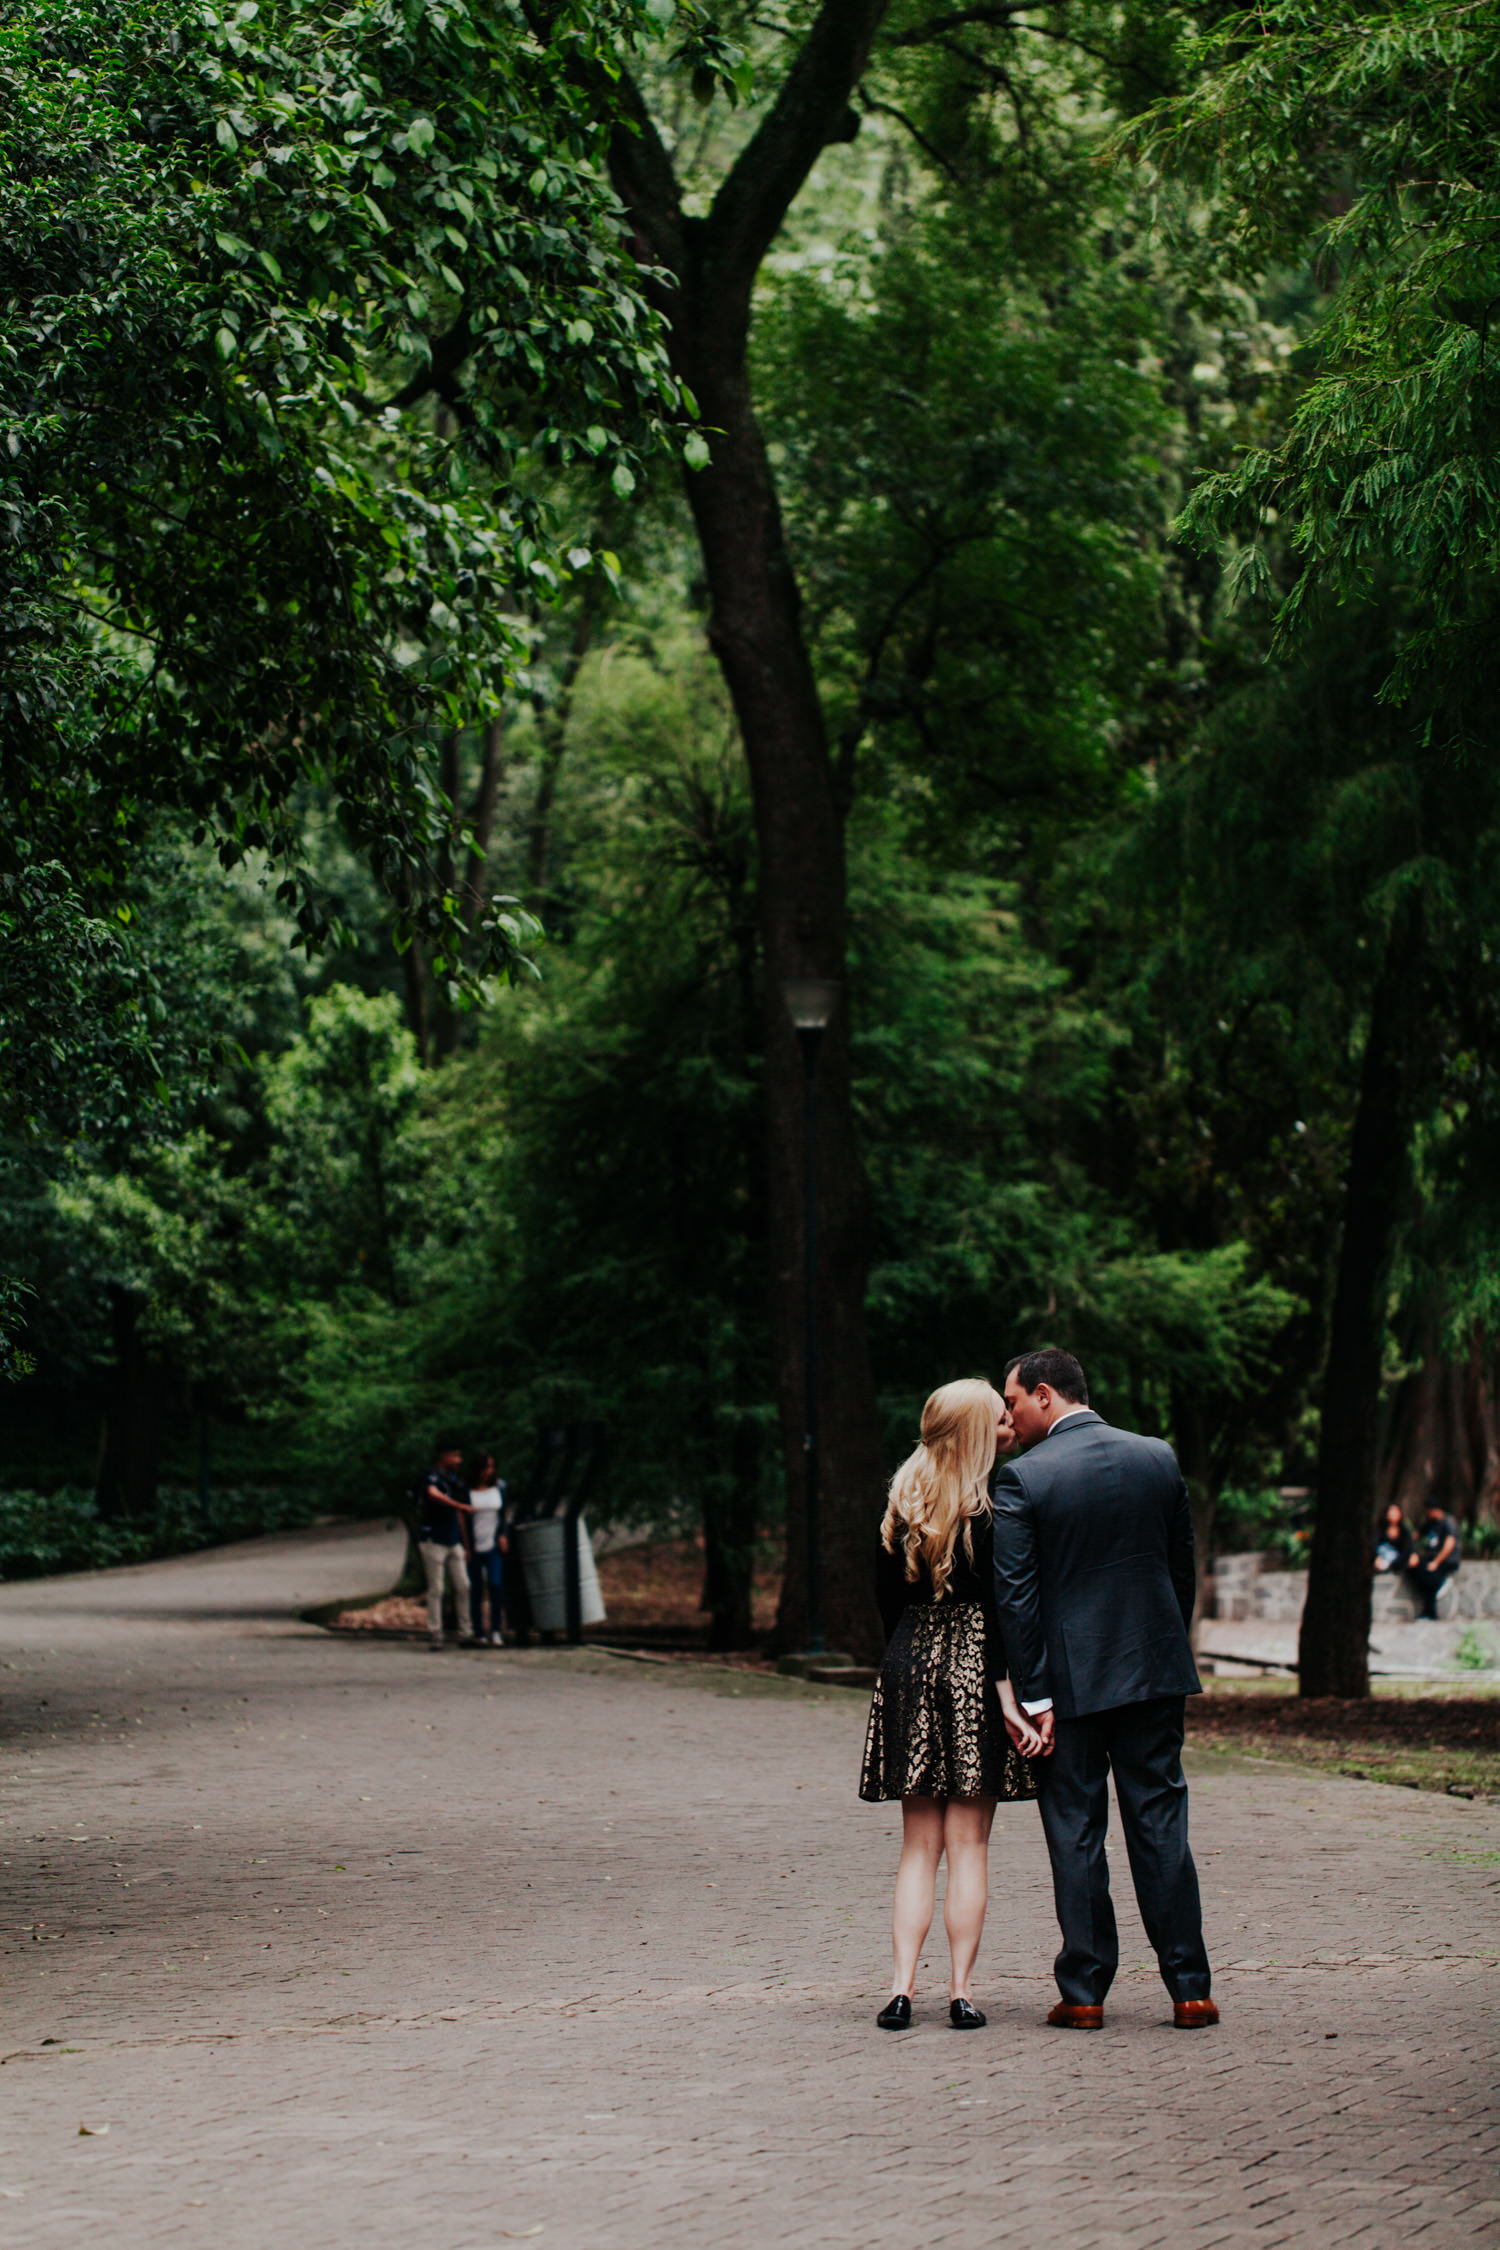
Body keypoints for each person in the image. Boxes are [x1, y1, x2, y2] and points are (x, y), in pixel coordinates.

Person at [992, 1348, 1216, 2031]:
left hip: (1069, 1684)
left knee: (1076, 1830)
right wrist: (1162, 1645)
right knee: (1161, 1824)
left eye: (1014, 1402)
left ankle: (1085, 1992)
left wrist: (1032, 1695)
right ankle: (1190, 1989)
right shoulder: (1158, 1457)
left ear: (1045, 1395)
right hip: (1153, 1671)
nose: (1010, 1417)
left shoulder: (1023, 1480)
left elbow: (1016, 1599)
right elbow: (1182, 1571)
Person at [860, 1378, 1043, 2032]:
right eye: (997, 1421)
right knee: (969, 1845)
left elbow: (885, 1607)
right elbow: (1001, 1616)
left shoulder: (901, 1504)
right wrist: (1012, 1700)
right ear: (972, 1433)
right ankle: (961, 1992)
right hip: (971, 1672)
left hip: (907, 1667)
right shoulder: (996, 1508)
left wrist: (906, 1661)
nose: (1008, 1428)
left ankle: (902, 1989)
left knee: (918, 1848)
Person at [418, 1438, 474, 1651]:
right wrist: (459, 1504)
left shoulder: (453, 1480)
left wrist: (465, 1544)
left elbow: (459, 1514)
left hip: (453, 1540)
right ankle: (435, 1632)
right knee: (437, 1588)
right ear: (444, 1456)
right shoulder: (431, 1476)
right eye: (455, 1456)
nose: (458, 1460)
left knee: (463, 1585)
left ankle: (465, 1631)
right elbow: (433, 1494)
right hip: (434, 1540)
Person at [466, 1450, 508, 1648]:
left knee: (495, 1584)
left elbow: (503, 1515)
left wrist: (502, 1534)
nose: (489, 1472)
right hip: (474, 1545)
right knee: (475, 1588)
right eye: (485, 1467)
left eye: (492, 1467)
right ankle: (478, 1630)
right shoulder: (467, 1491)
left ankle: (497, 1629)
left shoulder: (499, 1488)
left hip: (493, 1545)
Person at [1409, 1497, 1461, 1619]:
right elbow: (1416, 1536)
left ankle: (1440, 1584)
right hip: (1430, 1559)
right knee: (1420, 1573)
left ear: (1433, 1510)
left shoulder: (1448, 1522)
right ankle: (1429, 1612)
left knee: (1430, 1578)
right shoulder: (1430, 1522)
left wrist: (1436, 1562)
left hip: (1446, 1561)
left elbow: (1449, 1545)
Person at [1374, 1501, 1414, 1574]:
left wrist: (1395, 1563)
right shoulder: (1380, 1528)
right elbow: (1374, 1544)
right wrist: (1377, 1557)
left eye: (1395, 1511)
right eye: (1391, 1511)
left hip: (1397, 1562)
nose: (1393, 1514)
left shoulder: (1404, 1530)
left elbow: (1408, 1549)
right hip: (1381, 1559)